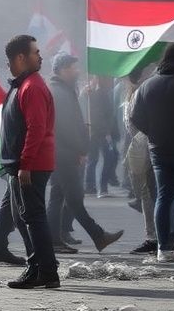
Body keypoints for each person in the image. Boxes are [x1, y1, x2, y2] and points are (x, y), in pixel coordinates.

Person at [46, 53, 123, 254]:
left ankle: (53, 240)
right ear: (62, 69)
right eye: (73, 67)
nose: (77, 71)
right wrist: (81, 149)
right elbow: (67, 126)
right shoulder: (59, 92)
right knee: (74, 198)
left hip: (59, 152)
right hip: (64, 154)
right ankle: (98, 236)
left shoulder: (62, 90)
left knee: (58, 197)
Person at [0, 35, 59, 289]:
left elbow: (37, 128)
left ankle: (45, 271)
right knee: (22, 217)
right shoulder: (22, 85)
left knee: (32, 217)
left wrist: (26, 163)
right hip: (21, 164)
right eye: (36, 52)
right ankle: (39, 265)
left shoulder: (32, 86)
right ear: (20, 57)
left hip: (30, 165)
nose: (40, 56)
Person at [130, 43, 174, 263]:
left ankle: (164, 248)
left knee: (164, 196)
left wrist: (154, 134)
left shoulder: (147, 85)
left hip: (158, 150)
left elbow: (135, 118)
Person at [123, 66, 158, 255]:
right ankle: (155, 236)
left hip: (146, 144)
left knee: (152, 192)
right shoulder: (136, 93)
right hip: (142, 144)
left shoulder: (140, 92)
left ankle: (156, 236)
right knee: (147, 192)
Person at [81, 76, 118, 197]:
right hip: (94, 132)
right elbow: (88, 111)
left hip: (100, 131)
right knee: (98, 158)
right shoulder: (89, 94)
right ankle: (94, 186)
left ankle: (97, 186)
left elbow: (108, 113)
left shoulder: (101, 93)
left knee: (106, 157)